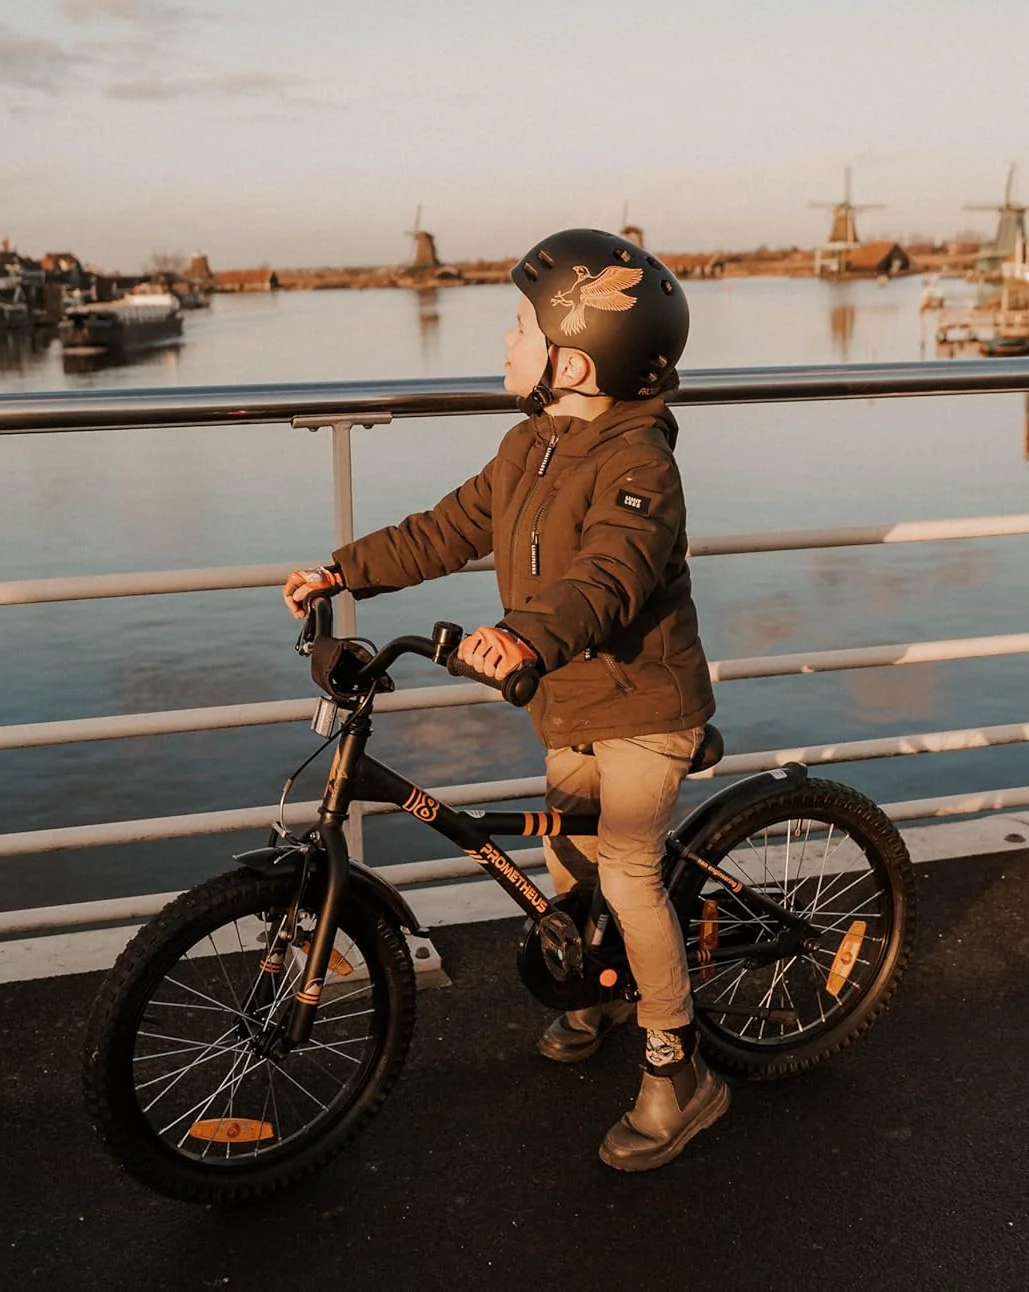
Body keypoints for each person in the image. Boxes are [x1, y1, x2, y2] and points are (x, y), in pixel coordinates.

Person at [283, 227, 727, 1171]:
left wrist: (527, 634)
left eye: (517, 328)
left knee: (630, 869)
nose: (504, 345)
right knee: (569, 853)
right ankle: (603, 990)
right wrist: (342, 571)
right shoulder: (529, 444)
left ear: (570, 361)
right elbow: (448, 528)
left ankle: (677, 1069)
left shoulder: (638, 463)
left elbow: (610, 574)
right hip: (565, 697)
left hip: (642, 704)